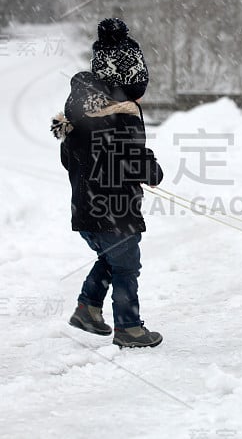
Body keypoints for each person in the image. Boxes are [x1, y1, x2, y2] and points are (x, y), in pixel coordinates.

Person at [51, 18, 164, 348]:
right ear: (132, 77)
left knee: (111, 259)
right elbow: (132, 158)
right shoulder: (122, 113)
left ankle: (88, 308)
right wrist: (151, 171)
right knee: (127, 266)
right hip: (116, 210)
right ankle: (129, 328)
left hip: (87, 209)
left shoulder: (77, 112)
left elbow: (68, 159)